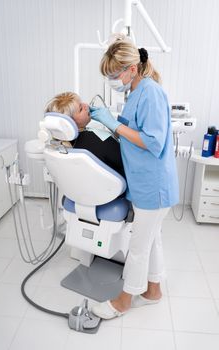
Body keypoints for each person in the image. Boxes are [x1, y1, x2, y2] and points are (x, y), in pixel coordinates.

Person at [90, 35, 179, 319]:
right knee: (152, 240)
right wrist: (109, 125)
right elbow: (130, 131)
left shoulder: (151, 92)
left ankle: (123, 302)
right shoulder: (136, 91)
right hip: (144, 182)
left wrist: (113, 123)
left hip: (154, 186)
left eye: (115, 74)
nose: (114, 80)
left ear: (132, 69)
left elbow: (152, 141)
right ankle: (153, 291)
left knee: (138, 247)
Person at [45, 92, 125, 177]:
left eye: (81, 103)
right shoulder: (98, 140)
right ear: (69, 122)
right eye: (80, 109)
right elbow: (128, 160)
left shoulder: (60, 144)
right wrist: (115, 125)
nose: (86, 106)